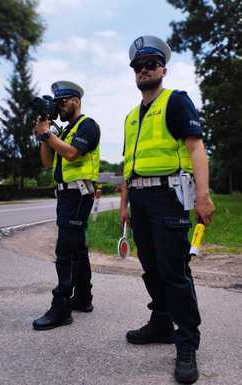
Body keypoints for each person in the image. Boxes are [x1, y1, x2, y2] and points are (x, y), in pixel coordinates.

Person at [120, 36, 215, 384]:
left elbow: (196, 148)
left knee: (174, 271)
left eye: (151, 64)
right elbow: (129, 165)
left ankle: (187, 342)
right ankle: (161, 323)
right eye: (138, 66)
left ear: (163, 69)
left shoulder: (176, 102)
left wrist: (203, 197)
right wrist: (125, 206)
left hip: (169, 197)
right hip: (141, 201)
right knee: (151, 268)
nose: (144, 70)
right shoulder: (132, 117)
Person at [32, 81, 100, 331]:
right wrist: (44, 136)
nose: (59, 107)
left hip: (79, 194)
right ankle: (83, 298)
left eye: (63, 102)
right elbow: (47, 162)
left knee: (65, 251)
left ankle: (61, 307)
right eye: (57, 103)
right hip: (66, 195)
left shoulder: (88, 125)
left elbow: (72, 154)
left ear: (76, 101)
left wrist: (49, 134)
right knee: (78, 248)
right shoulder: (64, 131)